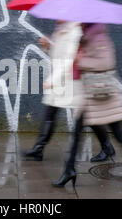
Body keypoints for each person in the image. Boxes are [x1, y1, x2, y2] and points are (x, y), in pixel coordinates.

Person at [52, 23, 122, 189]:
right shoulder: (85, 36)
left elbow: (107, 63)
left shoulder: (100, 36)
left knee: (119, 134)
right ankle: (69, 170)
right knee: (77, 132)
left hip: (105, 96)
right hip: (90, 95)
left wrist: (81, 60)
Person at [22, 20, 84, 161]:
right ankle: (39, 149)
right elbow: (58, 55)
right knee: (50, 114)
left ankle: (106, 145)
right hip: (61, 81)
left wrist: (52, 80)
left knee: (83, 116)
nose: (56, 18)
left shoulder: (74, 32)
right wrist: (48, 47)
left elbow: (68, 59)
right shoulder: (61, 30)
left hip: (69, 80)